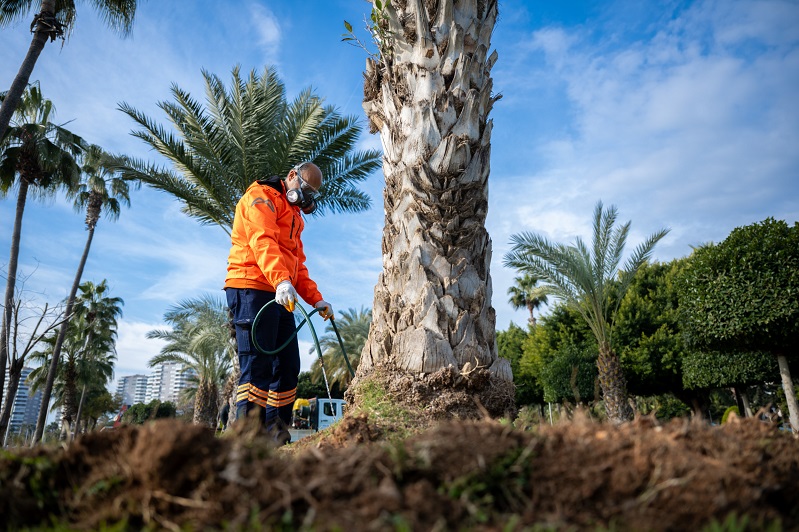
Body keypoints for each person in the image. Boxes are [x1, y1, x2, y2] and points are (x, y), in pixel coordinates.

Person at [224, 162, 333, 445]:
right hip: (252, 287)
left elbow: (298, 265)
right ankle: (247, 439)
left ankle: (275, 436)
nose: (308, 196)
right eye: (306, 189)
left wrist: (316, 298)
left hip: (280, 291)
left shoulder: (294, 214)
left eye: (313, 193)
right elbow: (263, 241)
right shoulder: (260, 196)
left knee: (287, 367)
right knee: (257, 366)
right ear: (292, 176)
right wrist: (281, 281)